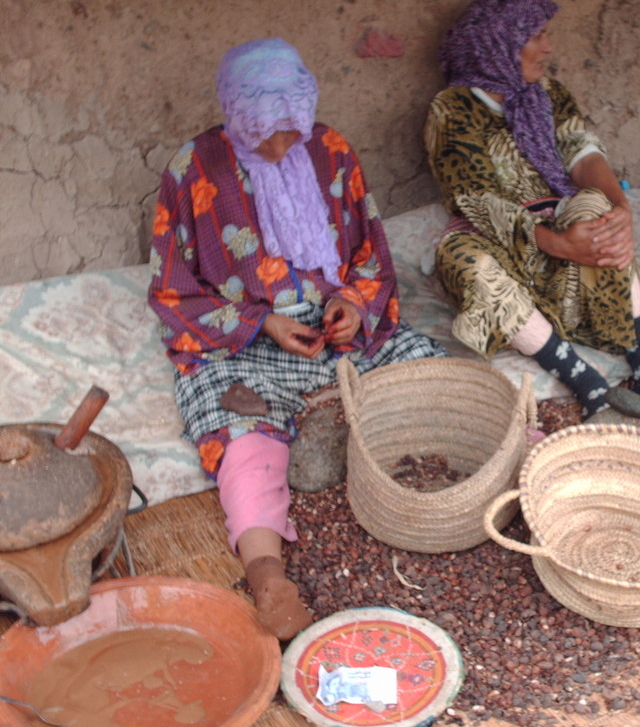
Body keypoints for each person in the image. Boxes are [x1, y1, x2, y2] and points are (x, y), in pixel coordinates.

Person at [148, 38, 446, 640]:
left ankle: (527, 466)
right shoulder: (192, 171)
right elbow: (174, 291)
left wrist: (353, 306)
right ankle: (267, 577)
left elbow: (369, 254)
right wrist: (263, 323)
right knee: (237, 430)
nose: (287, 144)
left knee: (431, 375)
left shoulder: (329, 150)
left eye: (294, 129)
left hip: (336, 333)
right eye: (269, 132)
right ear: (236, 116)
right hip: (244, 341)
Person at [422, 0, 640, 431]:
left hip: (563, 230)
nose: (549, 46)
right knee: (461, 261)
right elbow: (476, 201)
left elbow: (583, 154)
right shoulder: (452, 109)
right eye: (536, 36)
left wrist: (620, 209)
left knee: (600, 212)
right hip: (501, 239)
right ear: (501, 43)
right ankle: (587, 384)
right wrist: (557, 244)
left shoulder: (547, 94)